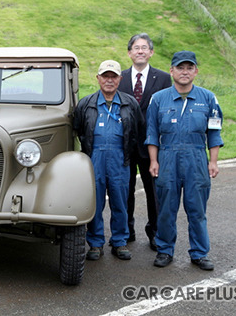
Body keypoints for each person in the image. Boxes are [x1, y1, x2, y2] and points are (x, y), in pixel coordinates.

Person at [145, 51, 223, 270]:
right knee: (167, 209)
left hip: (196, 159)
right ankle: (164, 250)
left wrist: (213, 161)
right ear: (172, 71)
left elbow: (214, 133)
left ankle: (199, 253)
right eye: (180, 68)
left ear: (196, 71)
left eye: (189, 68)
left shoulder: (208, 98)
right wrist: (154, 160)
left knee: (196, 210)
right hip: (167, 158)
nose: (185, 72)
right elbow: (152, 133)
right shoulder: (159, 99)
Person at [73, 60, 145, 261]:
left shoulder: (130, 103)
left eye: (113, 76)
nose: (109, 80)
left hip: (120, 160)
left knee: (120, 202)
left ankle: (120, 242)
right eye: (105, 76)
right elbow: (78, 129)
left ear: (120, 79)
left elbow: (138, 130)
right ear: (98, 78)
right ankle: (95, 243)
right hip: (94, 158)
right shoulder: (86, 104)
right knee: (94, 203)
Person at [118, 33, 172, 250]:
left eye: (144, 48)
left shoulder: (163, 79)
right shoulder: (119, 78)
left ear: (151, 52)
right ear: (129, 52)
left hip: (153, 147)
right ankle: (126, 230)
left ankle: (155, 232)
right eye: (136, 48)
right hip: (125, 146)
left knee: (154, 191)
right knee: (124, 190)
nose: (140, 51)